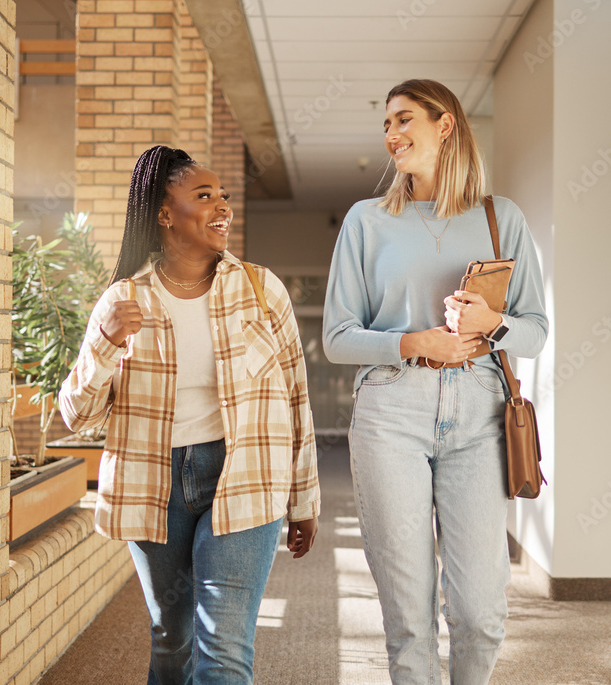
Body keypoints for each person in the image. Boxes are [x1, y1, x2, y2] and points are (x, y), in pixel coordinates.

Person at [58, 145, 320, 685]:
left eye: (224, 196)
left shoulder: (260, 290)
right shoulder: (123, 301)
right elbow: (76, 416)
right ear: (163, 212)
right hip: (156, 484)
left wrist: (304, 497)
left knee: (223, 651)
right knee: (171, 641)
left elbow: (296, 398)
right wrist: (106, 344)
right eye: (204, 196)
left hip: (247, 476)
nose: (222, 206)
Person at [323, 79, 548, 684]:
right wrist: (411, 342)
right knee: (408, 616)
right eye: (387, 127)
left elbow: (536, 332)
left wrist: (490, 322)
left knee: (479, 612)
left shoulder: (503, 219)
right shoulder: (367, 221)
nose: (393, 136)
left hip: (479, 411)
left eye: (404, 121)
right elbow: (337, 336)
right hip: (390, 409)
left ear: (445, 125)